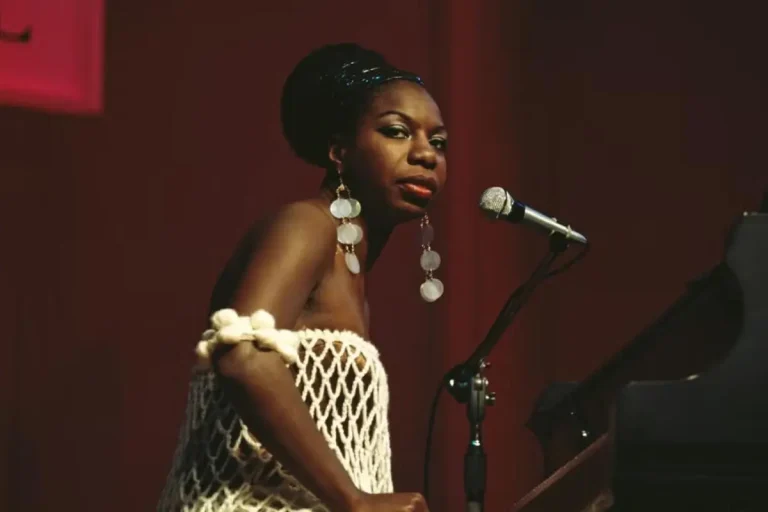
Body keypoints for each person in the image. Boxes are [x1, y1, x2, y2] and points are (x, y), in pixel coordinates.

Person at [157, 43, 448, 512]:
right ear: (340, 151)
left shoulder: (349, 265)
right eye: (397, 132)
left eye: (438, 143)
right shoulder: (307, 226)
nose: (426, 155)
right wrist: (354, 500)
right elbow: (243, 355)